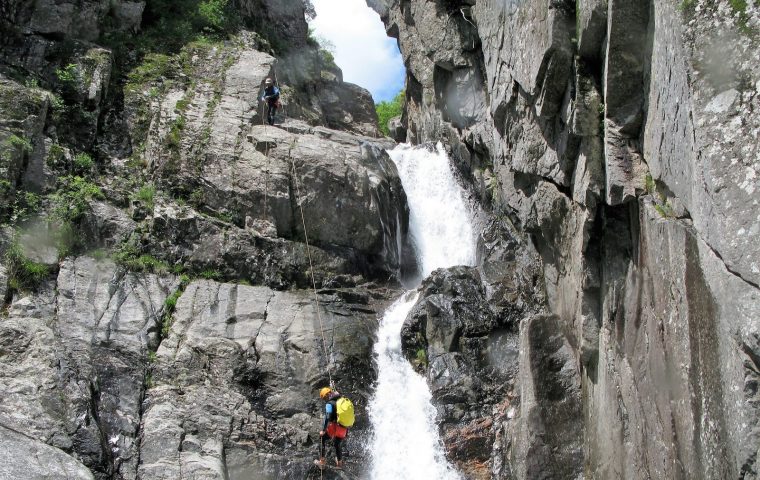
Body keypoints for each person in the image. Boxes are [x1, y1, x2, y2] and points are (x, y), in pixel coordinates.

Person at [316, 386, 347, 468]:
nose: (324, 400)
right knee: (337, 443)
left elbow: (327, 417)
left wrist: (323, 430)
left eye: (324, 398)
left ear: (326, 396)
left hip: (335, 427)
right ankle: (339, 464)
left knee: (322, 438)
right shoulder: (341, 400)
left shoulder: (329, 403)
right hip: (344, 428)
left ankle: (322, 461)